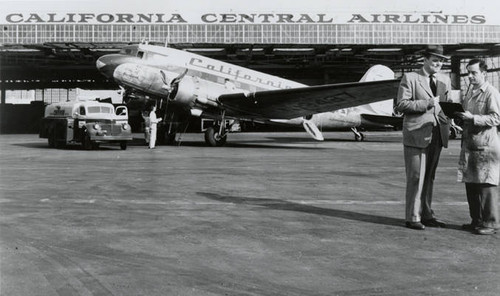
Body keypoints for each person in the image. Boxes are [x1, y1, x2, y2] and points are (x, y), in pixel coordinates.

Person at [395, 45, 451, 230]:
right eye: (435, 60)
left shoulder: (445, 80)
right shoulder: (411, 78)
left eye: (441, 61)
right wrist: (427, 103)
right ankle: (413, 217)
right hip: (416, 133)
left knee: (429, 177)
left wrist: (451, 118)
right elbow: (402, 104)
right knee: (416, 176)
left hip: (437, 133)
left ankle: (427, 214)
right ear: (425, 60)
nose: (438, 64)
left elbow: (446, 105)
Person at [456, 59, 500, 235]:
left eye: (474, 73)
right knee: (472, 183)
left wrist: (473, 118)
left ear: (484, 73)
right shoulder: (470, 92)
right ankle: (477, 220)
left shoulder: (491, 93)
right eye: (468, 73)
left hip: (486, 146)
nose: (470, 76)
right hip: (471, 145)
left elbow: (496, 118)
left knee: (486, 185)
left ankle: (491, 223)